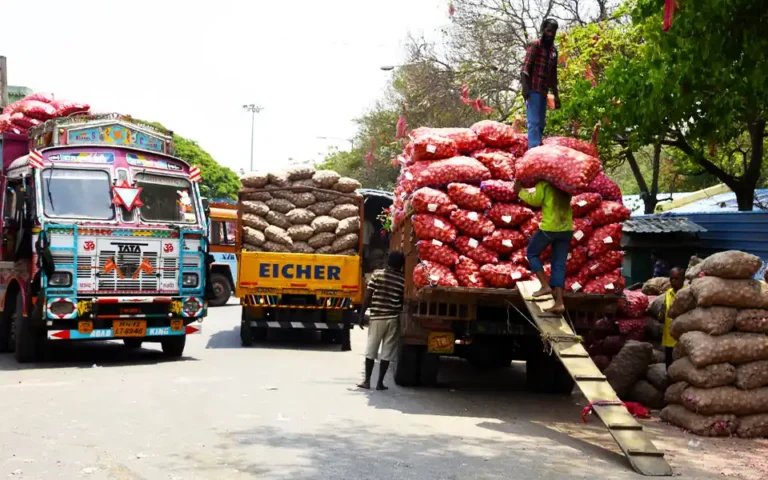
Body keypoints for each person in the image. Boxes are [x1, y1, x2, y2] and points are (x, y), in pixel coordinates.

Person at [513, 180, 572, 314]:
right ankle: (559, 303)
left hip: (549, 228)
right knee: (559, 264)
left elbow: (535, 200)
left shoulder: (544, 183)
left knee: (532, 253)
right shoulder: (566, 183)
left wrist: (520, 191)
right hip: (567, 229)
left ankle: (545, 286)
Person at [357, 251, 406, 390]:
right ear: (402, 265)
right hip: (393, 318)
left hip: (377, 317)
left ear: (388, 262)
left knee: (371, 349)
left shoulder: (377, 275)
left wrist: (361, 315)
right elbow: (402, 301)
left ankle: (367, 381)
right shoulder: (402, 280)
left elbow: (368, 296)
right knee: (387, 351)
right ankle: (379, 383)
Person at [521, 18, 561, 149]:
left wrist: (556, 96)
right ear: (543, 30)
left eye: (553, 31)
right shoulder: (535, 45)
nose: (551, 34)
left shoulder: (553, 52)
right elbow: (525, 69)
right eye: (548, 30)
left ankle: (537, 147)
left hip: (543, 91)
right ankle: (533, 150)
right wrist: (525, 89)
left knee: (541, 124)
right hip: (533, 89)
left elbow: (553, 76)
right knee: (534, 122)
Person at [661, 267, 685, 369]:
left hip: (681, 339)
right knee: (668, 367)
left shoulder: (687, 293)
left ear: (683, 279)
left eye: (676, 279)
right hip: (668, 338)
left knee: (679, 368)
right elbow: (664, 309)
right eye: (671, 279)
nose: (673, 281)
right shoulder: (668, 292)